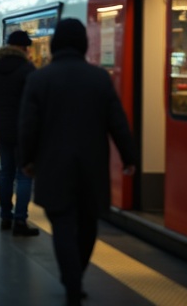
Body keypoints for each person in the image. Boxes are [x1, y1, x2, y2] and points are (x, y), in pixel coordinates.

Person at [19, 19, 137, 305]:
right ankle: (76, 275)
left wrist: (27, 160)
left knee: (61, 224)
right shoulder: (99, 78)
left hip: (53, 165)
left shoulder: (39, 78)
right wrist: (129, 157)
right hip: (91, 167)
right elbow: (117, 122)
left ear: (56, 43)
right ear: (84, 43)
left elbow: (28, 126)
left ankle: (71, 281)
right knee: (88, 224)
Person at [0, 30, 40, 237]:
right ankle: (20, 221)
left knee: (6, 173)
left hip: (2, 128)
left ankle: (5, 216)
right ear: (22, 48)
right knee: (24, 176)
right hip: (24, 129)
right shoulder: (27, 69)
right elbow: (35, 101)